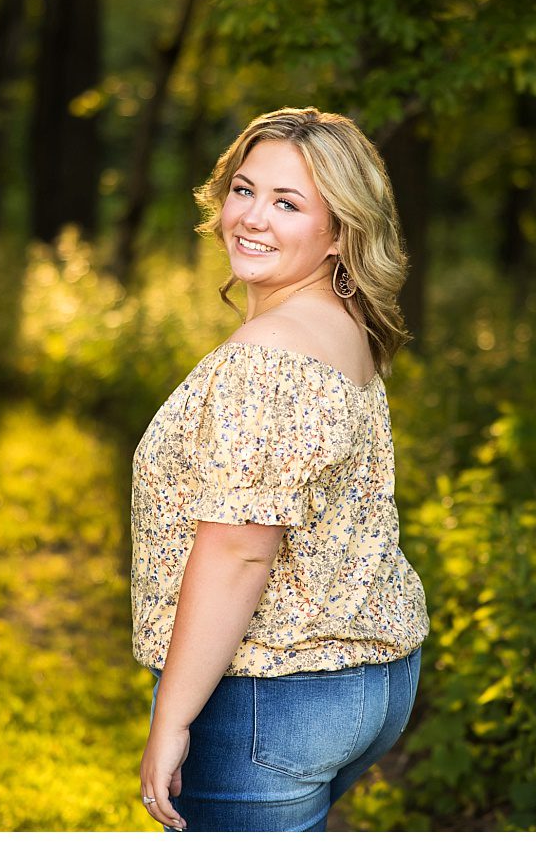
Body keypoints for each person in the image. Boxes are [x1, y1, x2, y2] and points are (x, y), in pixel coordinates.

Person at [131, 107, 427, 831]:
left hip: (271, 695)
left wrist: (172, 715)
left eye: (288, 203)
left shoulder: (268, 357)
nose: (252, 217)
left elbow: (240, 547)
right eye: (244, 188)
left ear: (340, 231)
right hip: (373, 680)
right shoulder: (342, 325)